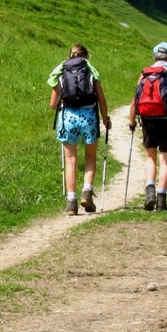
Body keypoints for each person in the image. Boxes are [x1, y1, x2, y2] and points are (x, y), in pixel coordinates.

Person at [48, 44, 111, 215]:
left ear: (69, 56)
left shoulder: (61, 72)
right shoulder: (91, 71)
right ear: (86, 57)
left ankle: (71, 203)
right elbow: (102, 99)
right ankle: (87, 191)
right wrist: (105, 119)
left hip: (67, 117)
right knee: (90, 156)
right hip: (89, 116)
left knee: (70, 160)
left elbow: (53, 105)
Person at [127, 42, 167, 211]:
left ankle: (150, 192)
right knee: (165, 160)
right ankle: (162, 200)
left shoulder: (145, 75)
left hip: (149, 119)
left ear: (154, 56)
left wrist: (132, 120)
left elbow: (135, 101)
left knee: (150, 157)